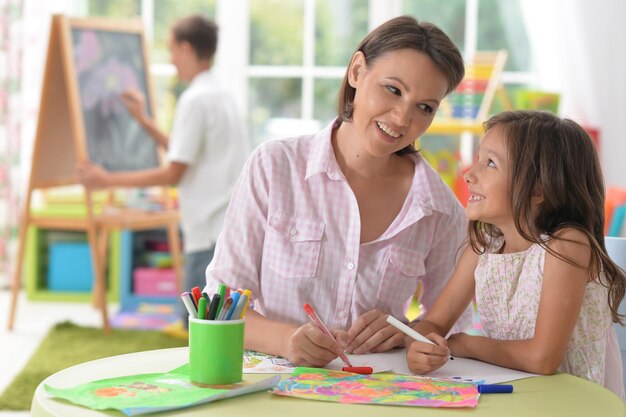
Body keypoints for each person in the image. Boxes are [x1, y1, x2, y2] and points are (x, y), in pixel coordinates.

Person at [205, 15, 473, 367]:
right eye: (393, 89)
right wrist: (286, 340)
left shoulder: (438, 209)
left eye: (425, 107)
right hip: (275, 390)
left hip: (378, 394)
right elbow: (218, 306)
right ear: (357, 71)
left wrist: (414, 335)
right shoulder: (274, 167)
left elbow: (450, 327)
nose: (402, 118)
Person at [404, 110, 626, 398]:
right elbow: (434, 322)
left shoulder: (567, 245)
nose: (469, 174)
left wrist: (466, 344)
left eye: (490, 163)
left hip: (573, 402)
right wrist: (419, 344)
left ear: (538, 189)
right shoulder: (485, 244)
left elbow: (542, 358)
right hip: (518, 393)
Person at [77, 15, 249, 327]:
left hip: (208, 228)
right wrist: (143, 120)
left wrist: (105, 181)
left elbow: (173, 173)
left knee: (198, 325)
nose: (170, 60)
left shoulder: (195, 100)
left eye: (171, 50)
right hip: (224, 222)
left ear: (186, 49)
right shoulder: (223, 95)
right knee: (213, 323)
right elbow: (186, 152)